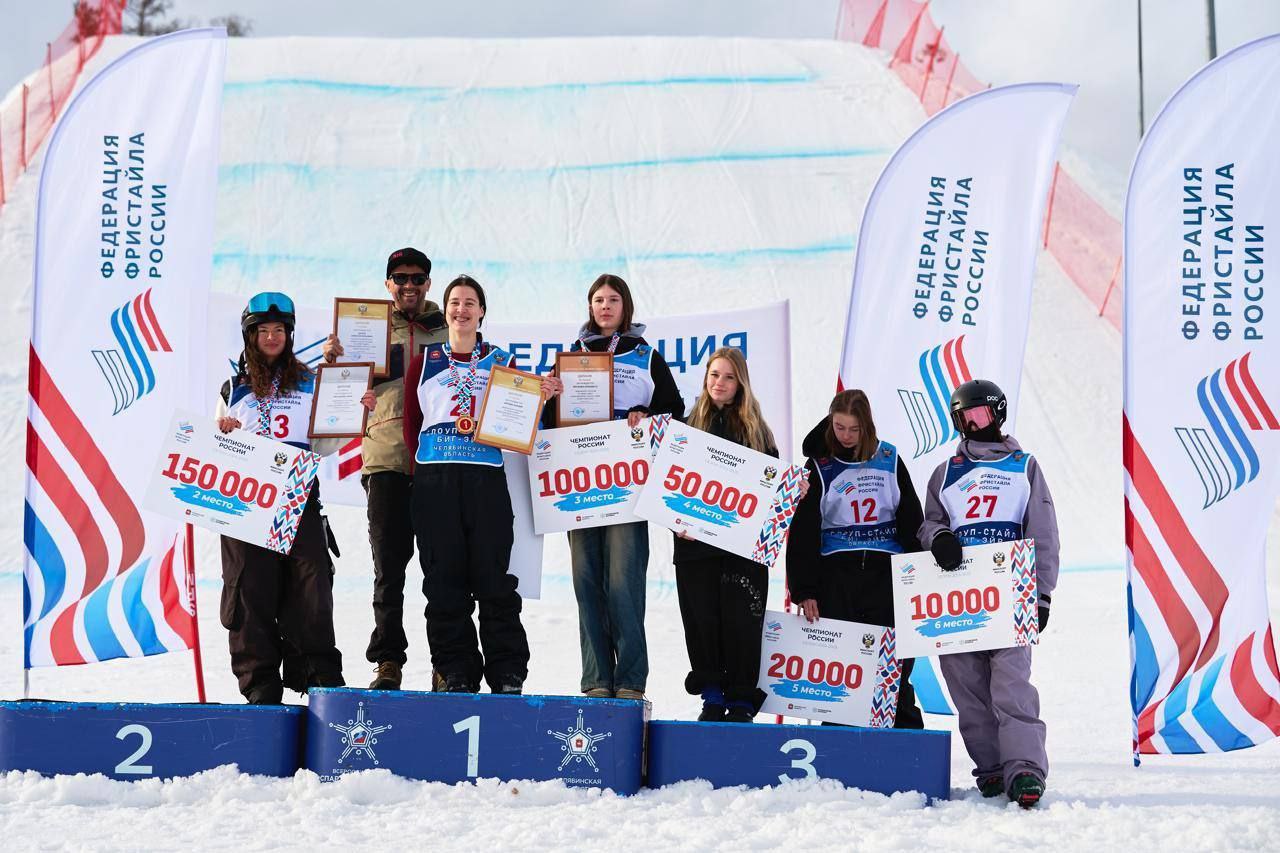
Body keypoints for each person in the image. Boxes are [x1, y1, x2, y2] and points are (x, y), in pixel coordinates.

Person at [402, 275, 562, 694]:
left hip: (485, 479)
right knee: (443, 580)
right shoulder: (425, 360)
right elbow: (411, 427)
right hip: (436, 480)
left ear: (482, 312)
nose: (461, 309)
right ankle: (456, 670)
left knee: (494, 578)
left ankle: (507, 671)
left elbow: (522, 421)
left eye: (470, 303)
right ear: (447, 309)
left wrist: (542, 396)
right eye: (454, 302)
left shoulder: (501, 362)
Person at [541, 274, 684, 701]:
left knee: (624, 582)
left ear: (626, 306)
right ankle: (596, 679)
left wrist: (645, 411)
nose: (605, 306)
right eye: (598, 299)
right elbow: (546, 424)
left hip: (626, 481)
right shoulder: (569, 357)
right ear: (590, 306)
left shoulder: (645, 355)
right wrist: (549, 394)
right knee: (586, 581)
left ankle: (631, 681)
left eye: (613, 299)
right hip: (580, 481)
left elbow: (673, 410)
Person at [918, 378, 1059, 807]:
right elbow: (928, 523)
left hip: (1011, 591)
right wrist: (938, 537)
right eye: (965, 418)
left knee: (1011, 686)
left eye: (980, 415)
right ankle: (994, 768)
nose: (974, 424)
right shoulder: (945, 473)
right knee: (968, 689)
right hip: (958, 595)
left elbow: (1044, 532)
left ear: (996, 414)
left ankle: (1025, 770)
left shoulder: (1024, 465)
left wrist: (1042, 594)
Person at [323, 247, 447, 691]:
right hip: (385, 459)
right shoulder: (366, 328)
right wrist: (336, 364)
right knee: (388, 570)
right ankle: (388, 662)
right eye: (400, 278)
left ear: (428, 283)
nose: (409, 286)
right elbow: (339, 398)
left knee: (442, 571)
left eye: (417, 278)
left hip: (437, 461)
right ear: (388, 284)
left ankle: (445, 664)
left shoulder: (448, 329)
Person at [215, 292, 349, 704]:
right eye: (263, 331)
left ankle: (319, 678)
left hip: (297, 495)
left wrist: (348, 416)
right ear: (249, 336)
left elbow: (324, 446)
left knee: (310, 585)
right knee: (250, 591)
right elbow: (213, 445)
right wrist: (223, 434)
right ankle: (261, 688)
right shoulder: (232, 389)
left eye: (279, 330)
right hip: (245, 501)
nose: (271, 337)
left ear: (289, 335)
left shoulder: (308, 382)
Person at [786, 389, 925, 729]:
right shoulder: (819, 466)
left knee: (892, 661)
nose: (845, 436)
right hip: (837, 576)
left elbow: (911, 519)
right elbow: (803, 530)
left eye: (854, 429)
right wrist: (805, 589)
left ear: (867, 427)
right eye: (839, 427)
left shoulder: (889, 458)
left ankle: (904, 735)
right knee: (842, 664)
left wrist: (920, 572)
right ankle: (839, 737)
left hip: (885, 575)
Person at [673, 347, 798, 723]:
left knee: (743, 622)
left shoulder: (758, 431)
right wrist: (677, 521)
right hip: (695, 547)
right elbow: (668, 484)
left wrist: (794, 490)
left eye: (728, 376)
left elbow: (776, 491)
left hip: (743, 548)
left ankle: (742, 698)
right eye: (714, 375)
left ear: (740, 382)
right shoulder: (686, 426)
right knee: (702, 621)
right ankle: (712, 695)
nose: (719, 383)